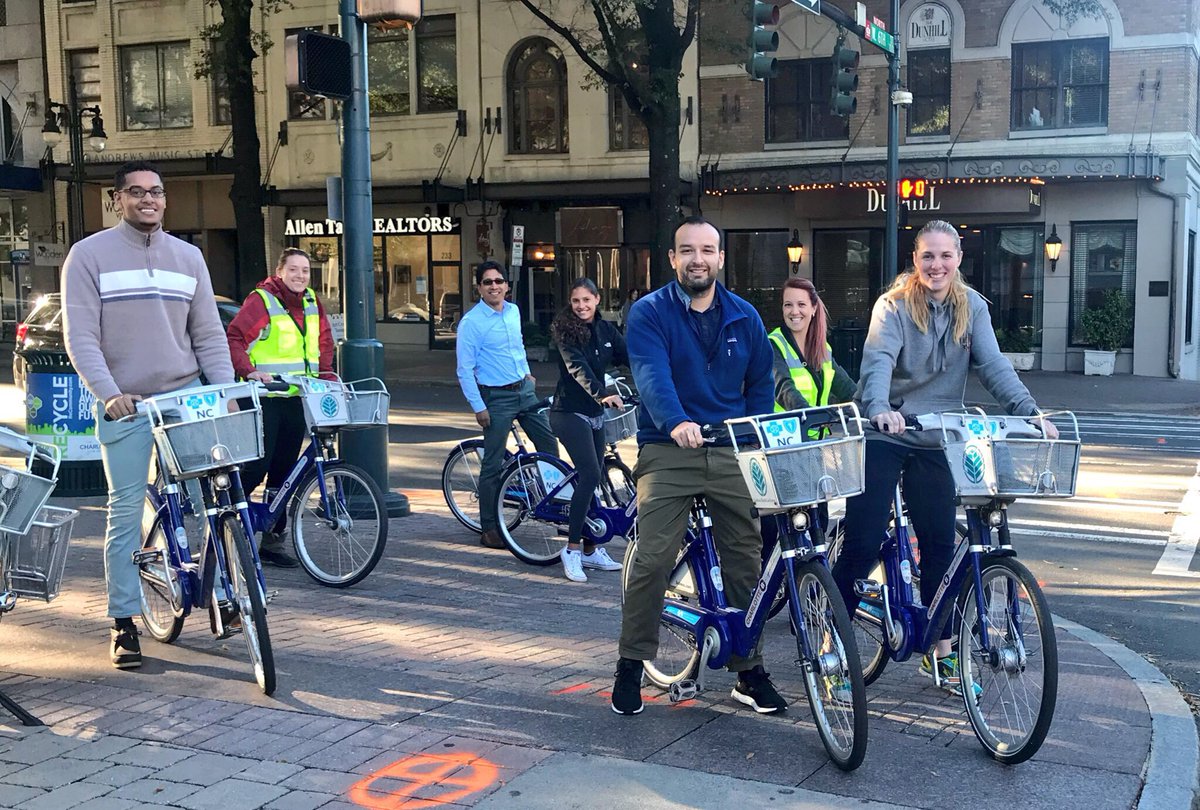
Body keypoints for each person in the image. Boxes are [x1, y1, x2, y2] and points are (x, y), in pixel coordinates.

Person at [831, 219, 1058, 693]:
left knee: (939, 544)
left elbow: (994, 365)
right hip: (886, 430)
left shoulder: (972, 307)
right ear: (915, 260)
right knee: (864, 537)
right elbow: (877, 363)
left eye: (945, 256)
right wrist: (877, 410)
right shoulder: (892, 306)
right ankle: (833, 635)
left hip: (937, 435)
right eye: (927, 256)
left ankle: (940, 652)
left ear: (958, 259)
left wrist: (1029, 413)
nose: (936, 265)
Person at [63, 161, 235, 670]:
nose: (148, 200)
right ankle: (123, 622)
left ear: (165, 199)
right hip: (128, 403)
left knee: (216, 499)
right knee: (124, 510)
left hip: (185, 399)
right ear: (117, 199)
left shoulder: (189, 257)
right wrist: (110, 392)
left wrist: (224, 393)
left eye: (156, 192)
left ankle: (224, 591)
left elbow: (207, 334)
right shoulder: (88, 255)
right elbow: (82, 338)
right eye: (136, 192)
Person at [612, 216, 782, 717]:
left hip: (729, 449)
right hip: (669, 447)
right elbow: (651, 376)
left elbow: (759, 387)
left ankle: (749, 671)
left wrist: (753, 432)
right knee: (654, 556)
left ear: (721, 258)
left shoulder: (745, 316)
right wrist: (676, 421)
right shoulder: (649, 313)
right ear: (672, 258)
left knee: (747, 558)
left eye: (707, 250)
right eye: (687, 250)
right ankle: (629, 662)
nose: (697, 259)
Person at [225, 247, 337, 568]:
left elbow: (323, 344)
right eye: (294, 270)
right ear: (280, 272)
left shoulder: (312, 302)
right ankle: (229, 523)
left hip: (295, 397)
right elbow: (234, 337)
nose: (300, 276)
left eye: (305, 270)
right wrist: (250, 371)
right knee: (257, 467)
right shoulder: (263, 300)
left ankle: (273, 541)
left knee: (284, 473)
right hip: (264, 397)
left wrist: (328, 377)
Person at [456, 260, 558, 549]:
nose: (494, 286)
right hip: (496, 398)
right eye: (487, 282)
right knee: (493, 463)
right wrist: (479, 407)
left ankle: (552, 501)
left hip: (523, 390)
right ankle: (489, 527)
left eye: (498, 281)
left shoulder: (512, 311)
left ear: (506, 285)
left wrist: (527, 373)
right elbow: (464, 369)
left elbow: (518, 346)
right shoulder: (472, 323)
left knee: (548, 445)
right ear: (479, 288)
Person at [548, 278, 628, 583]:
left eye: (587, 300)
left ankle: (592, 549)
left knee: (594, 480)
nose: (581, 306)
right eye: (576, 300)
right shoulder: (565, 332)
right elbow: (577, 368)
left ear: (597, 299)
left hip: (596, 414)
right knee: (591, 474)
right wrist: (603, 394)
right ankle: (571, 549)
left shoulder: (607, 330)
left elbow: (628, 357)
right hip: (568, 412)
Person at [768, 277, 857, 414]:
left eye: (801, 304)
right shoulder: (773, 344)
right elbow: (783, 388)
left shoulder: (823, 348)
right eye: (788, 305)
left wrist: (871, 407)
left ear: (813, 308)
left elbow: (846, 387)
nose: (794, 311)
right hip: (786, 433)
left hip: (820, 434)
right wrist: (814, 416)